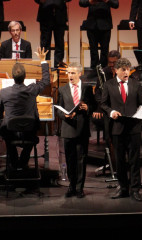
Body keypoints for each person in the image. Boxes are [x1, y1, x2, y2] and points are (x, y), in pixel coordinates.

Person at [0, 47, 49, 170]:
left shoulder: (4, 92)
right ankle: (24, 161)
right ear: (25, 76)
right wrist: (43, 61)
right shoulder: (32, 89)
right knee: (31, 137)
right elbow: (46, 80)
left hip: (11, 132)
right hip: (29, 131)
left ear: (12, 76)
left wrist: (1, 118)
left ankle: (14, 164)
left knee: (7, 137)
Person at [100, 57, 142, 201]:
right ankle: (123, 188)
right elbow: (103, 104)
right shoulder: (109, 85)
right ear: (116, 70)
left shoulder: (136, 84)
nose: (126, 72)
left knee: (134, 160)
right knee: (120, 161)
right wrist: (111, 112)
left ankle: (135, 189)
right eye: (123, 70)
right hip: (117, 128)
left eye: (128, 69)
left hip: (133, 128)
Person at [57, 63, 96, 198]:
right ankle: (71, 186)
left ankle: (80, 188)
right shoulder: (62, 89)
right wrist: (64, 115)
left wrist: (87, 108)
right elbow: (58, 109)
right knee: (70, 159)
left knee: (81, 159)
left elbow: (93, 106)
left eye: (73, 73)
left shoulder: (87, 88)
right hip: (68, 128)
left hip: (82, 129)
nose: (70, 76)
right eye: (68, 73)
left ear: (80, 73)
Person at [34, 0, 73, 68]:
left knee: (59, 43)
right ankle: (45, 67)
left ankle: (57, 67)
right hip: (45, 16)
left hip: (59, 16)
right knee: (45, 44)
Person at [79, 0, 119, 70]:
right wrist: (89, 2)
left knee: (104, 50)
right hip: (92, 24)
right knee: (93, 50)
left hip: (105, 24)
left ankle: (104, 71)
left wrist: (108, 1)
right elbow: (81, 2)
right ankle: (94, 71)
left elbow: (116, 4)